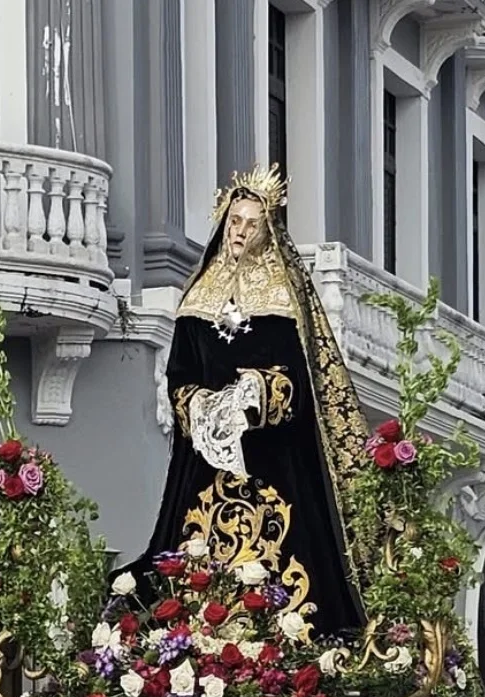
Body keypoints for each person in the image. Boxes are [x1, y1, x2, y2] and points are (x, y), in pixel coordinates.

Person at [137, 164, 364, 638]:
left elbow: (299, 377)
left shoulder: (283, 297)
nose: (240, 231)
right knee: (187, 557)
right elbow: (179, 374)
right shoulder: (197, 297)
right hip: (207, 461)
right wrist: (199, 404)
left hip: (272, 459)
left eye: (252, 224)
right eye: (234, 221)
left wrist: (255, 393)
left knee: (298, 560)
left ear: (268, 232)